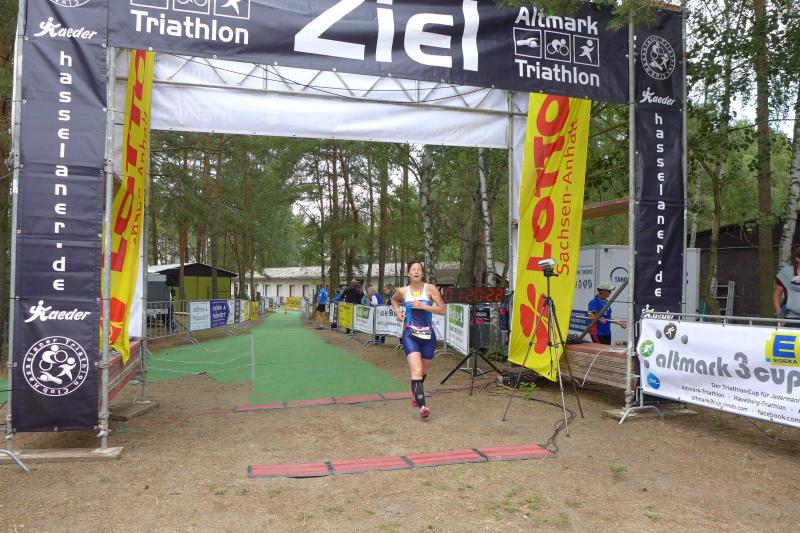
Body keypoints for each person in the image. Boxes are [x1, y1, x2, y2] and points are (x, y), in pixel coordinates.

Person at [391, 261, 446, 419]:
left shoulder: (430, 289)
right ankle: (422, 406)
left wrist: (424, 306)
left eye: (419, 269)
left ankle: (416, 394)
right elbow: (394, 300)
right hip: (410, 335)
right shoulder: (402, 291)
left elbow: (442, 310)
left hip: (428, 335)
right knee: (416, 371)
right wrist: (398, 312)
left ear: (422, 273)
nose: (416, 272)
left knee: (423, 372)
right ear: (408, 273)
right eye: (413, 269)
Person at [773, 247, 800, 321]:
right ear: (798, 258)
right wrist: (780, 314)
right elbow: (777, 295)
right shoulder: (786, 273)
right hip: (790, 317)